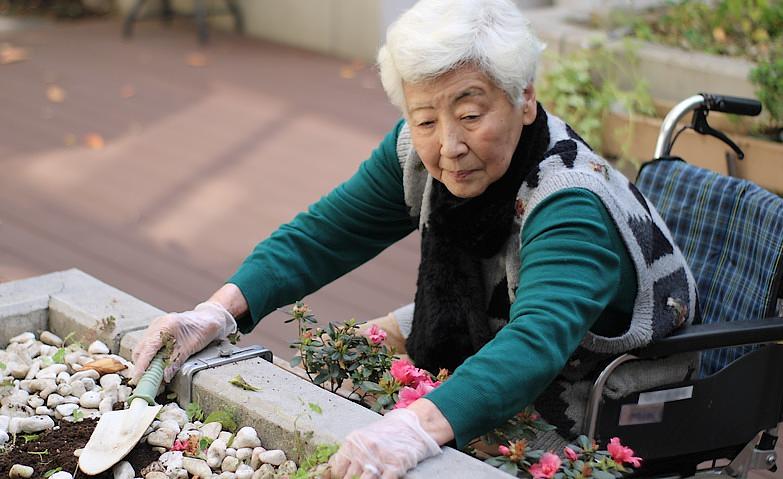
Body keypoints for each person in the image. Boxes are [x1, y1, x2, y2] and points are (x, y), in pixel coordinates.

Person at [131, 0, 699, 477]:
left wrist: (412, 427)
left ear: (524, 99)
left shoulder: (569, 202)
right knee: (344, 361)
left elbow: (534, 345)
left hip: (610, 387)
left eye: (470, 113)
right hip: (502, 321)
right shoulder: (417, 149)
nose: (447, 144)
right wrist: (215, 313)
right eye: (426, 119)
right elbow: (323, 234)